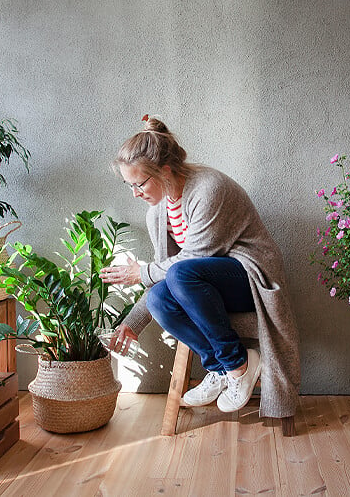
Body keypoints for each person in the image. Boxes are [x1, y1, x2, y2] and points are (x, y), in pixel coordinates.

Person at [100, 116, 300, 417]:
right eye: (129, 185)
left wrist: (140, 273)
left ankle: (236, 365)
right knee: (158, 298)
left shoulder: (209, 190)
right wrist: (133, 322)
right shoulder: (158, 212)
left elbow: (187, 263)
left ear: (165, 171)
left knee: (182, 273)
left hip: (251, 279)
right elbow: (163, 275)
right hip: (203, 284)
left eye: (139, 183)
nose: (135, 193)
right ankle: (222, 367)